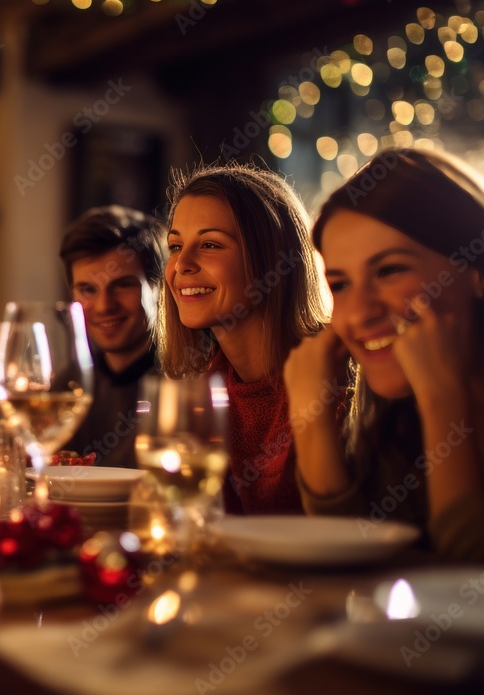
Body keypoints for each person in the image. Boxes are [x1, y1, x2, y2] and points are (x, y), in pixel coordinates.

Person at [284, 148, 484, 562]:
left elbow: (473, 594)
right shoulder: (390, 423)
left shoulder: (436, 400)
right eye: (341, 284)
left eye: (390, 271)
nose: (360, 314)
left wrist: (442, 398)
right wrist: (310, 418)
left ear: (480, 272)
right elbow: (351, 572)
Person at [155, 164, 328, 514]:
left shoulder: (335, 382)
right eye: (175, 246)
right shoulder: (206, 391)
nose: (182, 264)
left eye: (210, 244)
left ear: (271, 260)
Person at [59, 205, 167, 468]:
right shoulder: (64, 389)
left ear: (159, 288)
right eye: (87, 289)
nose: (104, 305)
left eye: (122, 285)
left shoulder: (187, 384)